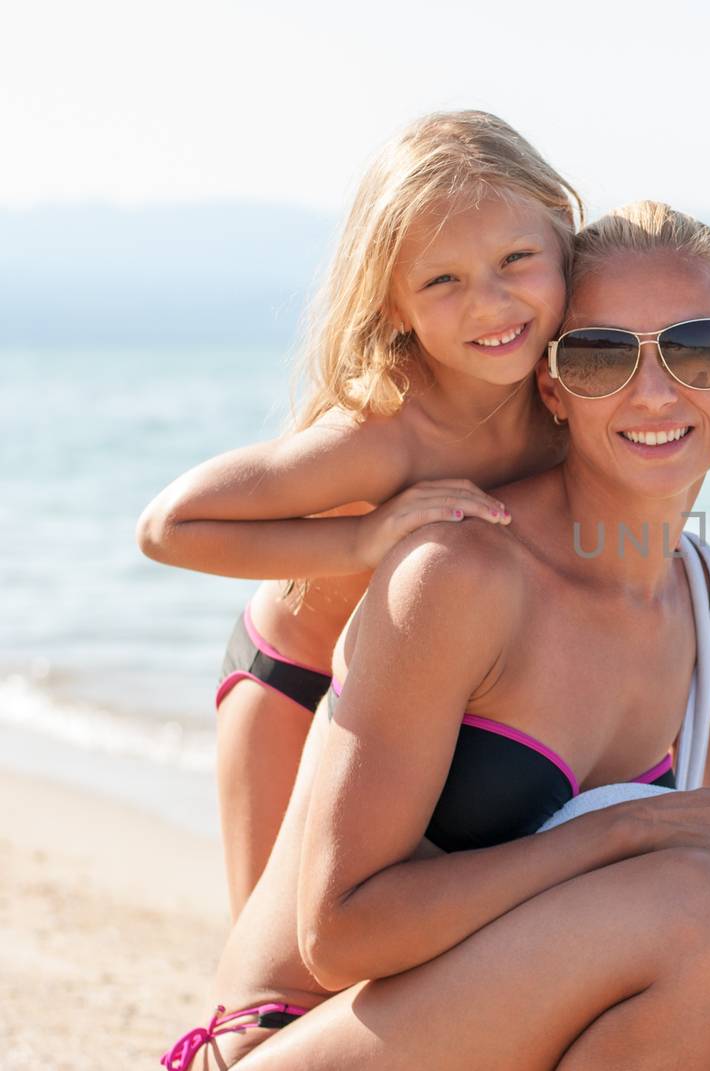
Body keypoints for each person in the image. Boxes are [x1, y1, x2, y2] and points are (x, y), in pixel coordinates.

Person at [160, 203, 710, 1070]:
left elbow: (679, 885)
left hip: (503, 1031)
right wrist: (624, 836)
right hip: (302, 1035)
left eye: (697, 349)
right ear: (552, 386)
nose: (654, 391)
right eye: (603, 356)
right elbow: (339, 934)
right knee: (706, 912)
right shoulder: (462, 572)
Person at [137, 110, 579, 918]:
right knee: (272, 993)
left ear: (564, 236)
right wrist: (366, 536)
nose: (491, 301)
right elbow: (169, 525)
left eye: (516, 258)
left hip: (427, 708)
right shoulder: (385, 430)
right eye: (441, 280)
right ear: (396, 305)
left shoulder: (567, 405)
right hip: (296, 689)